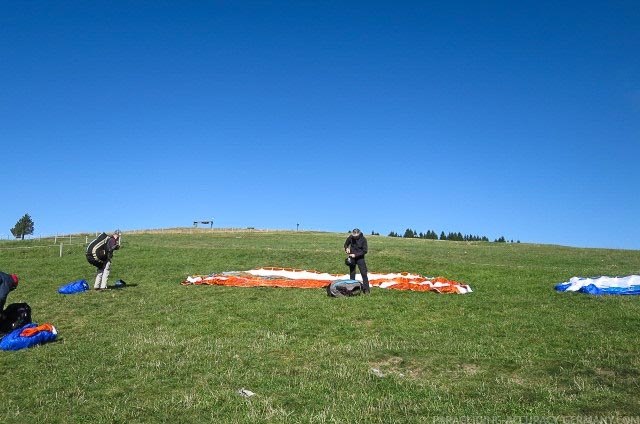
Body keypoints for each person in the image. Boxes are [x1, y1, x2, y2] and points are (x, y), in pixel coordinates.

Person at [344, 228, 370, 294]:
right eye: (354, 236)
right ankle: (352, 289)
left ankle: (366, 289)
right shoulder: (351, 237)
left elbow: (365, 250)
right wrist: (346, 248)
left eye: (356, 236)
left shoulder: (363, 239)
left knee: (364, 273)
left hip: (360, 258)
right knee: (352, 273)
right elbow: (346, 244)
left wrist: (355, 255)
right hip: (352, 258)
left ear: (359, 234)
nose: (355, 237)